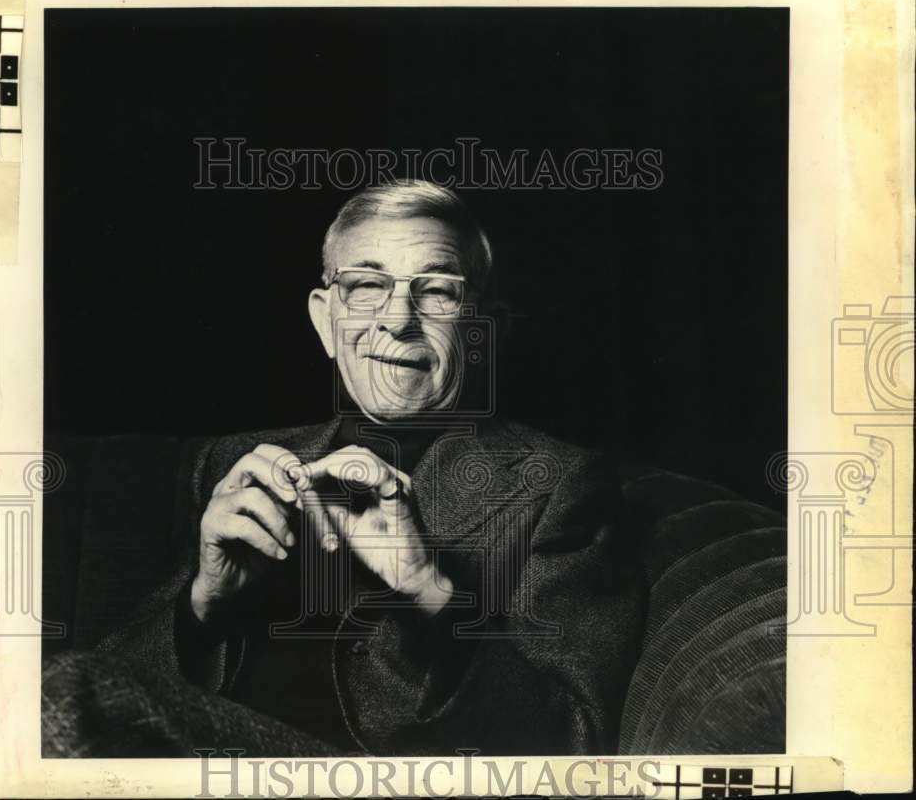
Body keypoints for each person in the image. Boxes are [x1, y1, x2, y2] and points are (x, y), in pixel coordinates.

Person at [42, 180, 645, 758]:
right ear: (326, 320)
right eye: (366, 287)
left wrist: (429, 590)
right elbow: (112, 697)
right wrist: (201, 605)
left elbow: (573, 742)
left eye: (437, 291)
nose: (397, 320)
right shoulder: (232, 467)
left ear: (486, 330)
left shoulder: (559, 484)